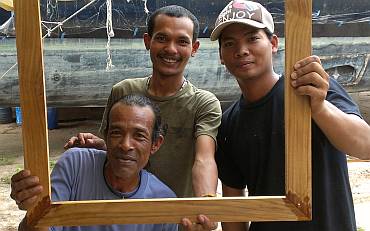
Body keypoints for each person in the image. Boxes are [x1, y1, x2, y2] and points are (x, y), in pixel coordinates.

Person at [210, 0, 370, 231]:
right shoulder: (228, 123)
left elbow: (364, 146)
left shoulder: (312, 89)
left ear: (273, 43)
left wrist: (319, 108)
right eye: (230, 43)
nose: (241, 50)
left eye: (252, 38)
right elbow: (234, 201)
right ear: (221, 56)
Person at [64, 5, 221, 201]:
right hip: (129, 216)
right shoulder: (123, 92)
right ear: (147, 41)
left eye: (182, 41)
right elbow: (120, 151)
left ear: (194, 48)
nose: (171, 49)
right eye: (162, 38)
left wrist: (206, 203)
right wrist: (96, 146)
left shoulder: (203, 103)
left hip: (180, 219)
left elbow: (204, 159)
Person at [11, 94, 178, 231]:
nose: (126, 145)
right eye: (116, 132)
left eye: (139, 136)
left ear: (155, 144)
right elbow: (38, 226)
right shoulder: (75, 165)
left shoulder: (164, 201)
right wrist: (33, 208)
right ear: (105, 135)